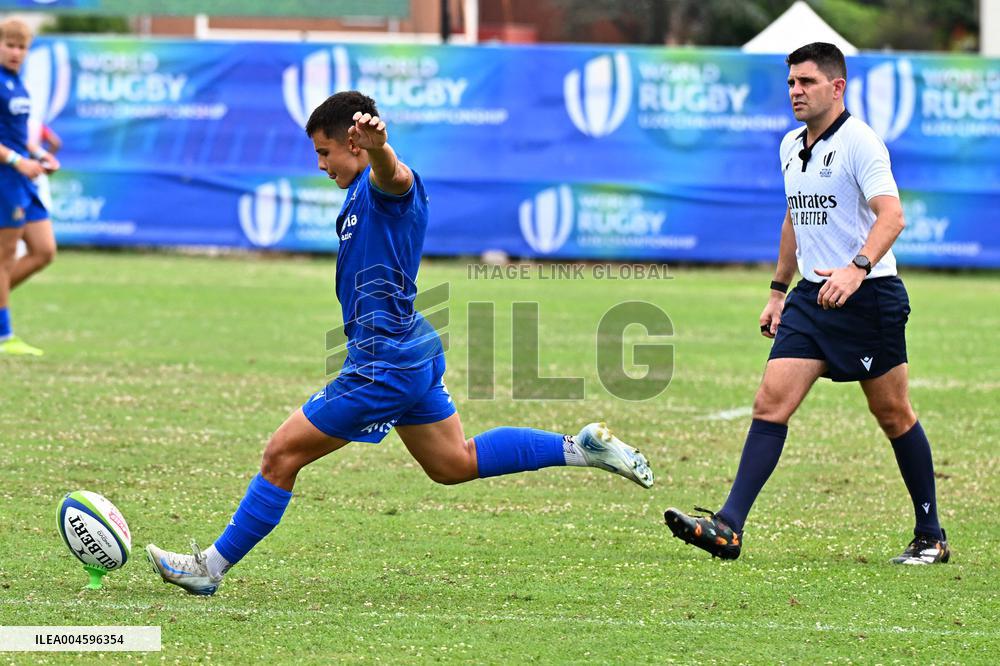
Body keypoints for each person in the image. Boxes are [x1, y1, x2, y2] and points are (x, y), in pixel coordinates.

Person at [146, 91, 655, 596]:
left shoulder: (382, 185)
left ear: (355, 143)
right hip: (409, 350)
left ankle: (208, 568)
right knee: (453, 462)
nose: (321, 165)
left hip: (383, 365)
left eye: (325, 153)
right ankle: (578, 447)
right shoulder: (354, 192)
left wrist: (382, 150)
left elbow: (397, 178)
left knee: (280, 455)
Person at [664, 43, 949, 565]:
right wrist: (778, 289)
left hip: (869, 299)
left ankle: (930, 534)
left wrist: (856, 268)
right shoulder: (790, 145)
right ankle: (728, 526)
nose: (795, 90)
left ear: (837, 87)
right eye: (792, 82)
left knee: (893, 413)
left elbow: (893, 216)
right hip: (810, 301)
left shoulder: (862, 143)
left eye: (807, 82)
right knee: (770, 402)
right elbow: (795, 217)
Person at [0, 18, 60, 357]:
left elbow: (17, 137)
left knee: (44, 250)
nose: (16, 52)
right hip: (5, 177)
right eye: (10, 44)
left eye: (22, 47)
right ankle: (4, 336)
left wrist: (39, 155)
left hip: (24, 176)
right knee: (4, 257)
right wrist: (15, 161)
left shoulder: (16, 83)